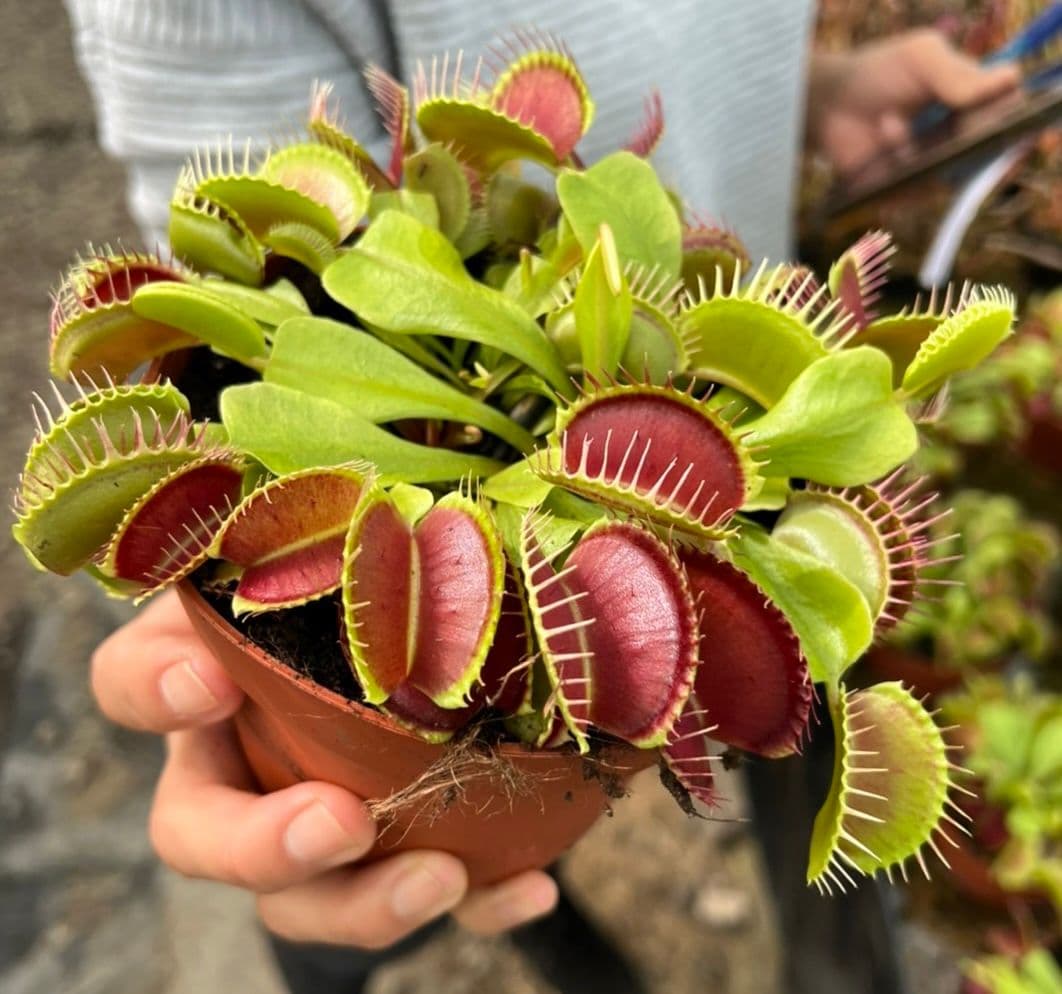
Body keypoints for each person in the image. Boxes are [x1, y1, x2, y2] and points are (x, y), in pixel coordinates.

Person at [71, 2, 1020, 990]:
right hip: (454, 406)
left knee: (686, 682)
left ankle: (573, 916)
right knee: (367, 884)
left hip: (701, 343)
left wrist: (819, 89)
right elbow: (271, 270)